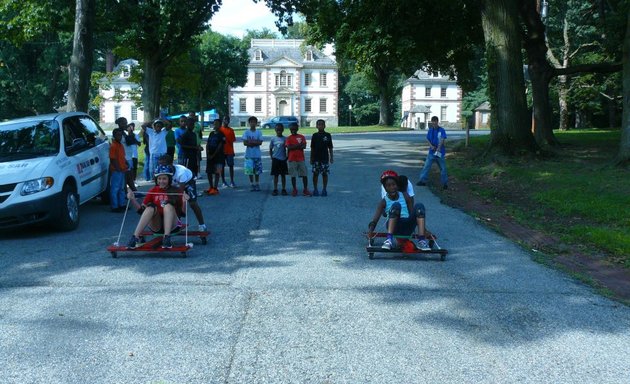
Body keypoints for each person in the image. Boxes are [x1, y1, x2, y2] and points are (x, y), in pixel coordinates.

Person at [126, 164, 185, 249]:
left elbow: (183, 213)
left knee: (167, 205)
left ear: (169, 179)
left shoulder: (176, 191)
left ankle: (167, 238)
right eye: (159, 179)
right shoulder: (153, 190)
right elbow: (141, 211)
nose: (161, 181)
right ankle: (135, 237)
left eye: (164, 178)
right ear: (156, 180)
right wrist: (132, 199)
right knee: (150, 207)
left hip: (173, 225)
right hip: (157, 225)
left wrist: (184, 201)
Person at [368, 170, 430, 251]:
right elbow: (374, 220)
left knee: (419, 206)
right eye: (388, 186)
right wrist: (370, 231)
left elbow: (413, 214)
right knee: (396, 206)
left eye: (393, 185)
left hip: (408, 227)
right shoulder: (383, 202)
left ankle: (421, 241)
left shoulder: (405, 196)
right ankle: (389, 240)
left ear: (397, 185)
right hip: (395, 228)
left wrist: (424, 230)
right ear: (385, 188)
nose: (392, 188)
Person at [158, 155, 207, 232]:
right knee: (170, 202)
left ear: (171, 164)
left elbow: (180, 191)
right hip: (175, 183)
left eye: (163, 165)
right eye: (159, 165)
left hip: (188, 182)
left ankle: (202, 225)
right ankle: (176, 224)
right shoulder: (161, 171)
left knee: (192, 203)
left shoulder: (181, 172)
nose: (161, 167)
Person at [417, 115, 448, 190]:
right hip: (431, 152)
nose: (434, 123)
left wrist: (438, 148)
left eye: (435, 121)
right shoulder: (430, 130)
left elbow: (442, 139)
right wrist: (431, 146)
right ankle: (422, 180)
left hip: (440, 152)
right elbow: (427, 139)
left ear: (437, 122)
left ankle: (444, 183)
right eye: (433, 121)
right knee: (426, 166)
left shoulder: (441, 130)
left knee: (443, 168)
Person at [285, 122, 311, 197]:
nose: (293, 130)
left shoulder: (301, 137)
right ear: (290, 129)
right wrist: (298, 145)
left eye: (294, 129)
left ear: (297, 129)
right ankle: (294, 189)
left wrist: (294, 146)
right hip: (292, 159)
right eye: (291, 129)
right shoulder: (289, 138)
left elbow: (304, 146)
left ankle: (305, 189)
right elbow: (289, 147)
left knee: (304, 174)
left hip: (301, 159)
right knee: (293, 175)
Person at [310, 119, 334, 196]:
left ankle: (324, 189)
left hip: (325, 158)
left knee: (324, 174)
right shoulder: (314, 135)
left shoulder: (328, 135)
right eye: (319, 124)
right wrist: (311, 158)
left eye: (322, 124)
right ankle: (315, 189)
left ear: (325, 126)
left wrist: (331, 157)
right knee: (315, 174)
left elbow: (330, 147)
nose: (320, 126)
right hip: (316, 158)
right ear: (316, 126)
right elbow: (312, 148)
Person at [109, 128, 129, 212]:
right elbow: (112, 159)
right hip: (117, 171)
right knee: (115, 188)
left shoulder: (120, 145)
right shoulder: (113, 146)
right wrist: (117, 168)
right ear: (114, 135)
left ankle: (122, 204)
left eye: (120, 135)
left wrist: (126, 163)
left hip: (122, 170)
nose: (119, 137)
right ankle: (115, 206)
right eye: (117, 135)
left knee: (121, 188)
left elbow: (122, 157)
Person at [242, 116, 264, 191]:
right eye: (251, 122)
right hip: (249, 154)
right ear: (249, 123)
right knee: (250, 170)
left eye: (254, 122)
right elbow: (245, 143)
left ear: (256, 123)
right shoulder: (246, 132)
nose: (253, 123)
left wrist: (250, 142)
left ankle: (257, 183)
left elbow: (260, 142)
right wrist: (255, 142)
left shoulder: (259, 132)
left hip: (257, 154)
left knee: (257, 171)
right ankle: (252, 184)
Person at [205, 119, 225, 195]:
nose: (215, 125)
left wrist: (213, 155)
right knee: (209, 171)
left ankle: (215, 188)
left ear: (220, 125)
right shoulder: (211, 133)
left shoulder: (221, 134)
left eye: (216, 124)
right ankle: (211, 187)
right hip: (210, 155)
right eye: (214, 124)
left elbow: (220, 146)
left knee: (217, 172)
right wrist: (208, 153)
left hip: (218, 156)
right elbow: (208, 143)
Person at [269, 123, 288, 196]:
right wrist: (272, 157)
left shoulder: (285, 139)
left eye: (280, 130)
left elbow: (287, 148)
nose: (279, 131)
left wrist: (287, 156)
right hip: (275, 159)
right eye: (277, 130)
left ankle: (283, 189)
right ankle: (275, 189)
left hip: (283, 159)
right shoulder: (273, 139)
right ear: (275, 130)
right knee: (276, 175)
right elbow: (270, 148)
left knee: (283, 175)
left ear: (283, 130)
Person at [219, 116, 237, 188]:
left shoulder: (231, 130)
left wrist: (233, 151)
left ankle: (232, 181)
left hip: (229, 151)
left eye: (227, 119)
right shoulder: (220, 130)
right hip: (221, 151)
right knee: (222, 166)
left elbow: (232, 142)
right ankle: (223, 181)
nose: (226, 121)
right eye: (225, 119)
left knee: (231, 166)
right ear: (222, 120)